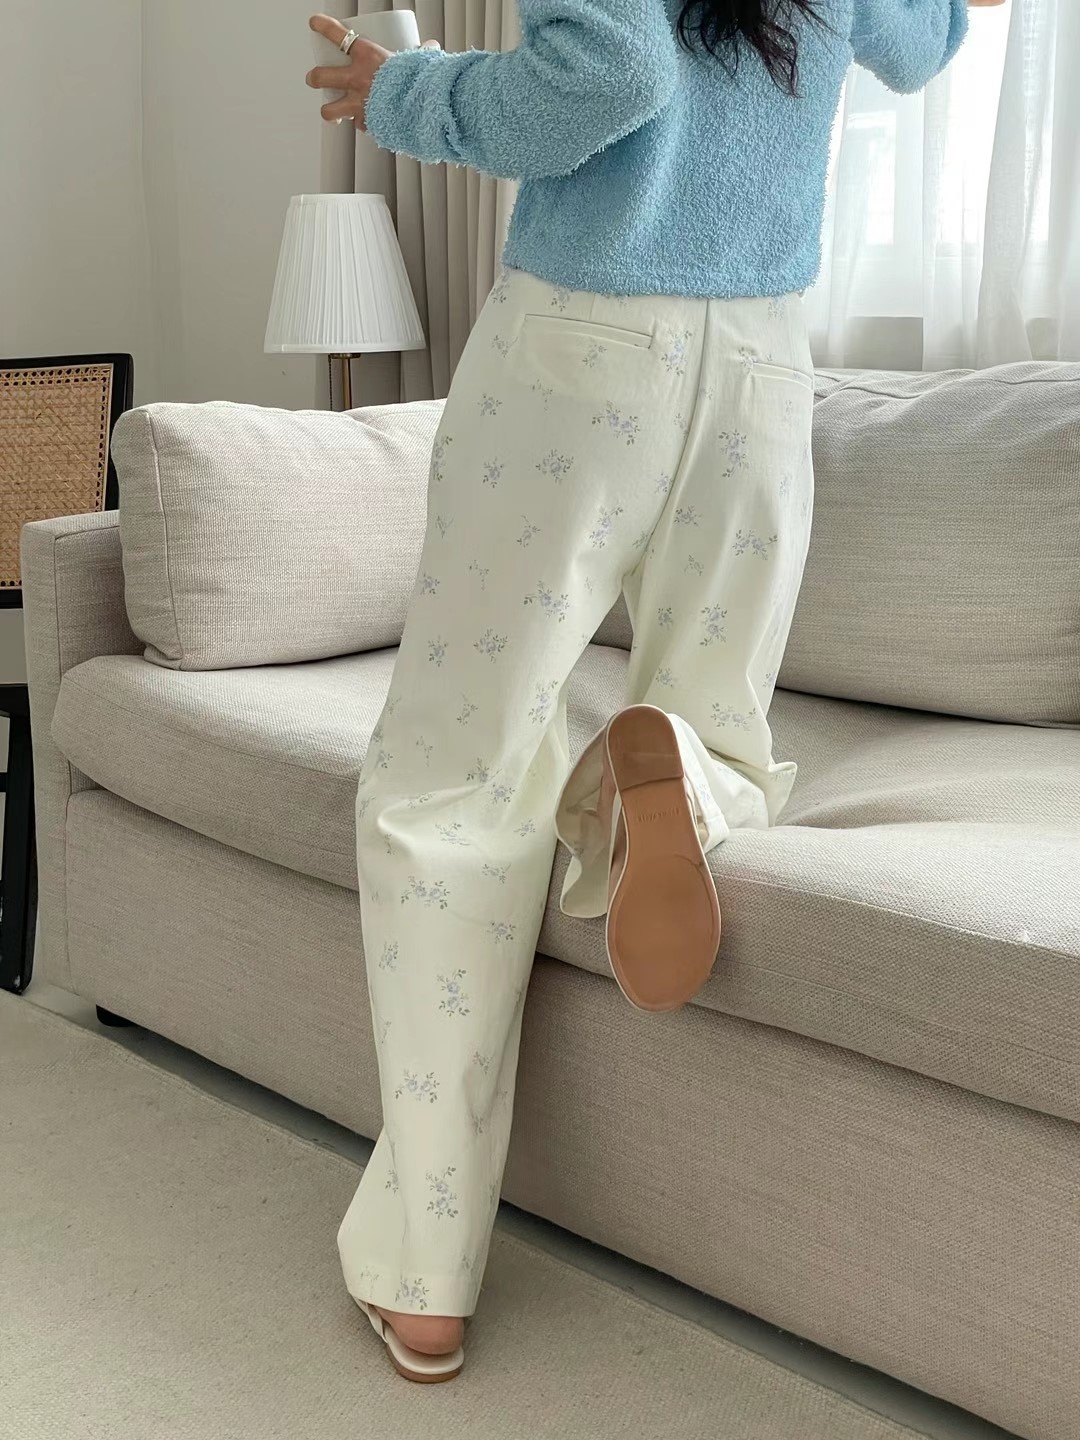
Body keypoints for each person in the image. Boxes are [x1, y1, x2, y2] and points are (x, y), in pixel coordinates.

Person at [305, 0, 973, 1383]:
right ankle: (666, 765)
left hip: (580, 346)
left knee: (452, 780)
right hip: (763, 362)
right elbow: (919, 43)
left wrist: (406, 93)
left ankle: (427, 1278)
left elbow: (607, 72)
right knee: (721, 715)